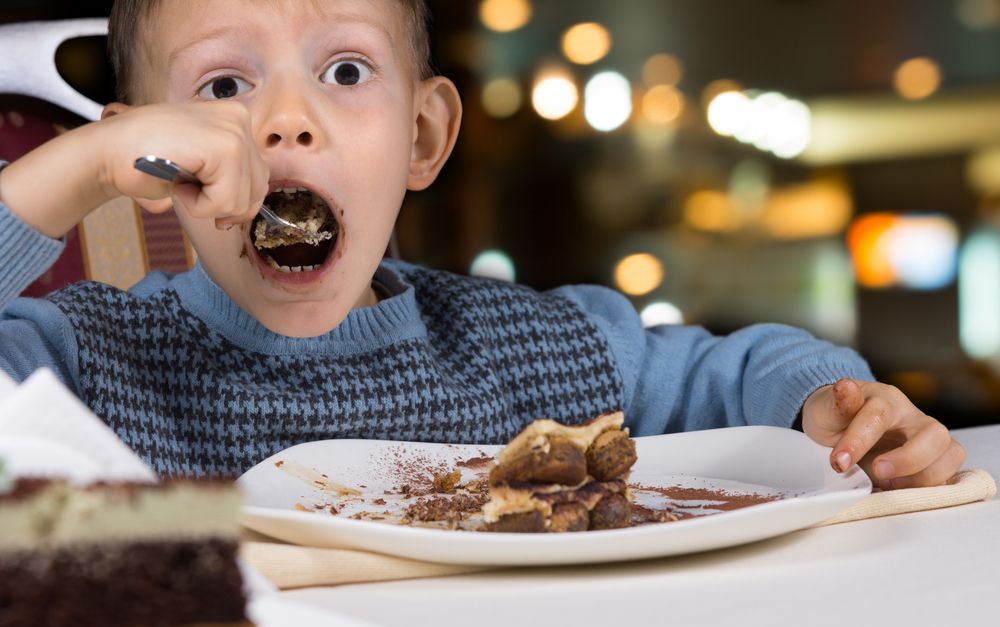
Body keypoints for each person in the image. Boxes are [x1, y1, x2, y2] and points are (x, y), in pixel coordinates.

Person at [0, 0, 964, 488]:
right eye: (221, 89)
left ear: (422, 138)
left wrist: (832, 407)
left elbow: (737, 371)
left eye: (343, 69)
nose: (285, 123)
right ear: (141, 154)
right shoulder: (81, 368)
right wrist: (72, 171)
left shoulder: (540, 347)